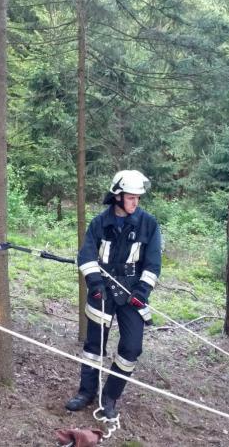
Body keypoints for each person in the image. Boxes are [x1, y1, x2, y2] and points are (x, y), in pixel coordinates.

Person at [65, 170, 162, 419]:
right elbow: (86, 255)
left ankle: (110, 396)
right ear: (117, 197)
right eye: (131, 197)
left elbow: (153, 264)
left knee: (131, 348)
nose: (135, 202)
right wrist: (95, 284)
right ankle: (86, 392)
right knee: (93, 346)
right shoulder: (99, 223)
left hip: (132, 295)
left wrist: (142, 291)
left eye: (138, 198)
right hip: (103, 292)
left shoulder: (148, 224)